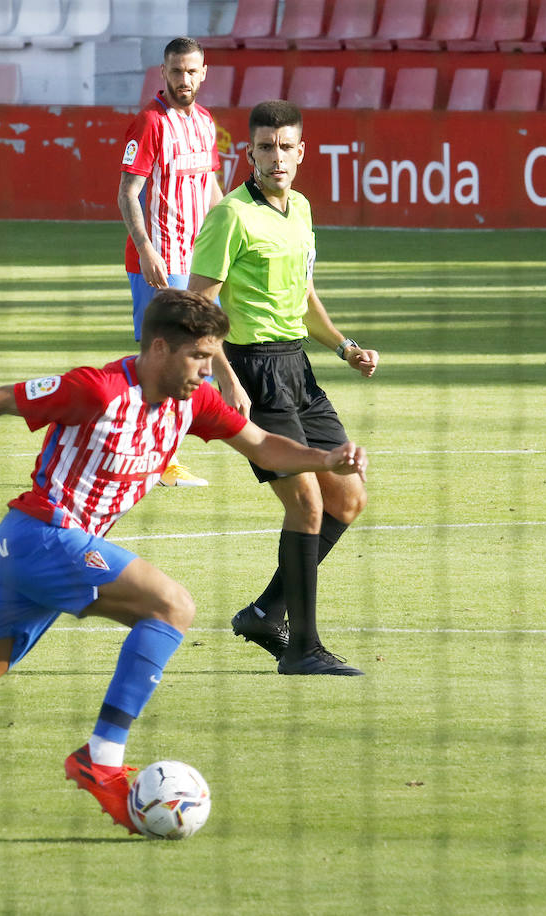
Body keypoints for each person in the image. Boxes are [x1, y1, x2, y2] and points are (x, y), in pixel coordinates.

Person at [0, 290, 369, 836]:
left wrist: (326, 459)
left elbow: (262, 444)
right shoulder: (97, 389)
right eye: (199, 357)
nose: (207, 370)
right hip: (40, 538)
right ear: (160, 348)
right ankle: (101, 760)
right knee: (172, 605)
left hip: (36, 561)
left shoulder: (197, 401)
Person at [188, 100, 379, 677]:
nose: (276, 157)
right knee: (307, 503)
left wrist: (344, 347)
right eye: (265, 147)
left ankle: (267, 613)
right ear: (249, 152)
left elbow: (303, 296)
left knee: (348, 496)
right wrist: (226, 377)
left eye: (286, 147)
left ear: (302, 151)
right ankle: (302, 649)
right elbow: (198, 304)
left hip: (297, 368)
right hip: (252, 370)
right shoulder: (230, 216)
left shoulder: (301, 210)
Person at [118, 36, 223, 489]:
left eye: (191, 71)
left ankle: (148, 452)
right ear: (163, 73)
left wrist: (230, 243)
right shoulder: (149, 122)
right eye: (176, 71)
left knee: (188, 357)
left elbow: (212, 188)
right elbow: (127, 192)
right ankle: (156, 458)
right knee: (164, 359)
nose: (184, 79)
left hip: (198, 260)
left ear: (204, 73)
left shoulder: (204, 123)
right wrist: (146, 250)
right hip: (160, 259)